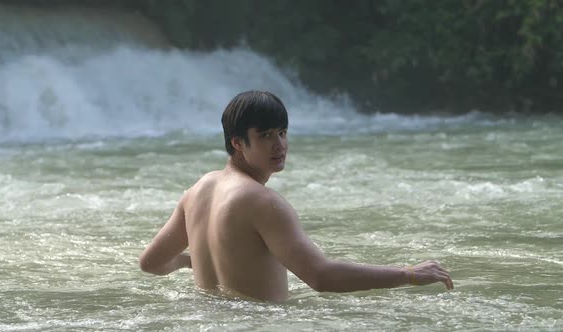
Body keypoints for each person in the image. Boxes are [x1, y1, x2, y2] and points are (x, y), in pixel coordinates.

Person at [139, 90, 454, 302]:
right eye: (265, 136)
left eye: (283, 132)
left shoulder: (198, 190)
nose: (280, 145)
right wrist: (409, 274)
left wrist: (187, 262)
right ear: (237, 142)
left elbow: (151, 263)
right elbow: (321, 276)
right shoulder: (262, 202)